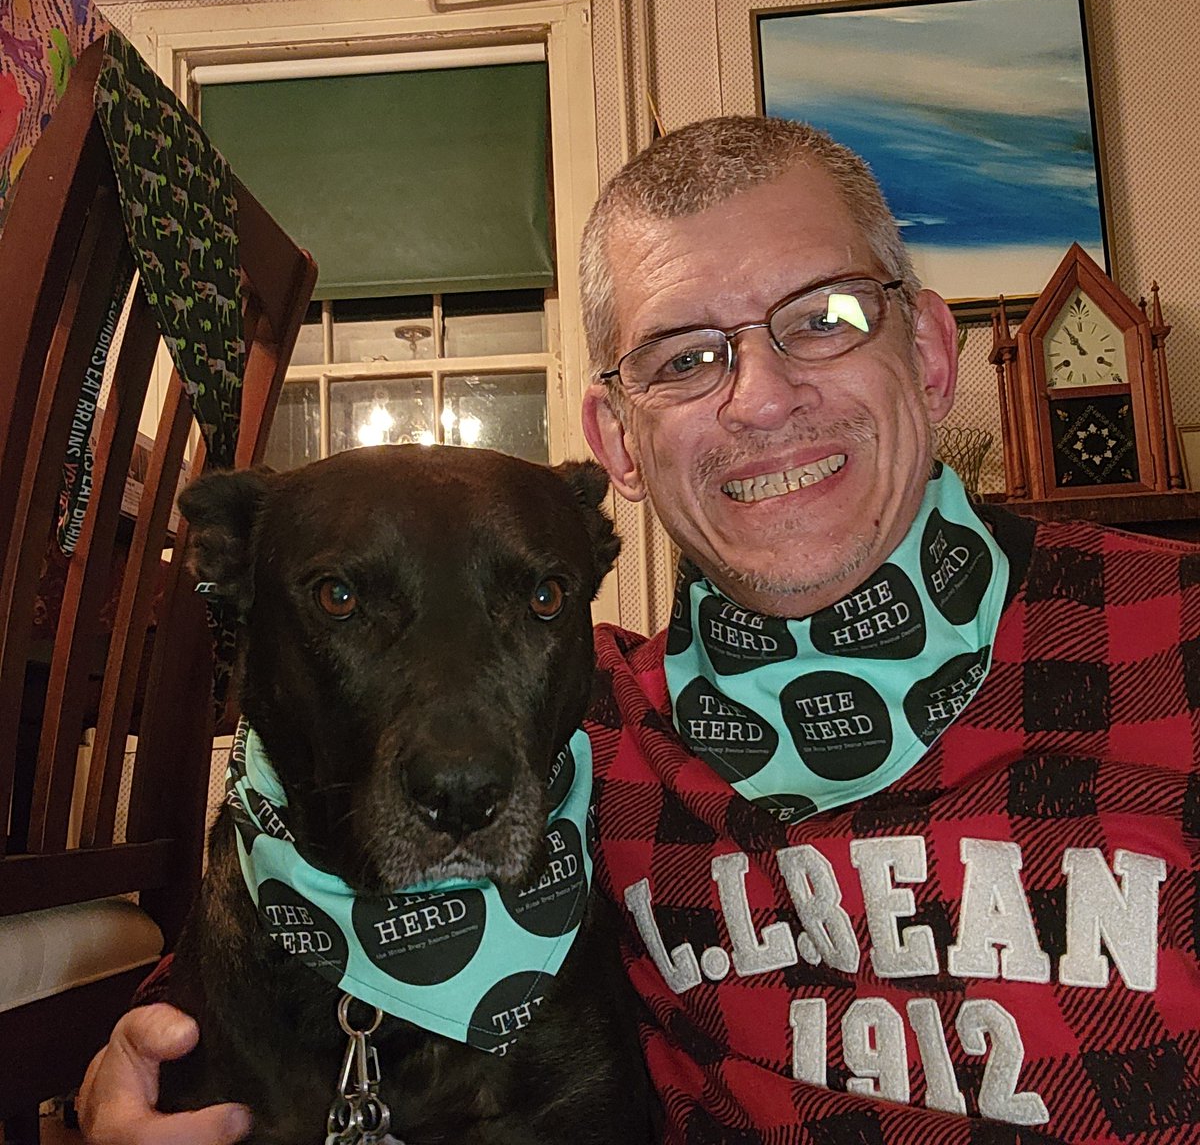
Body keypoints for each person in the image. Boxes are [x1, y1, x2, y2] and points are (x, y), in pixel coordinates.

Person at [80, 116, 1200, 1143]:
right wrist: (132, 1068)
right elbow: (301, 886)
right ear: (619, 441)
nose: (761, 397)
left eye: (826, 318)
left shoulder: (1172, 637)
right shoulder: (586, 731)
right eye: (686, 358)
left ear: (929, 353)